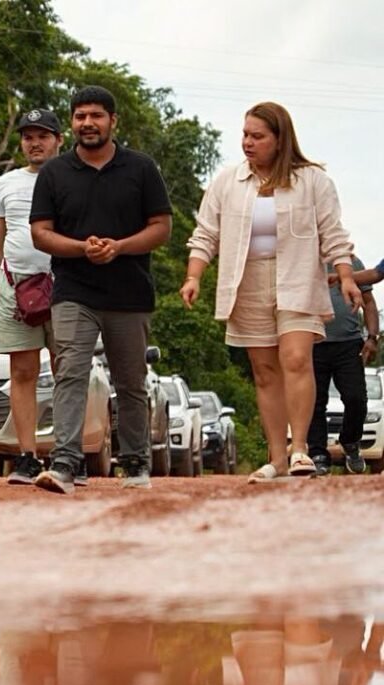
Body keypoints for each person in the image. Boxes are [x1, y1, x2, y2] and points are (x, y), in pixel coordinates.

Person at [180, 101, 361, 483]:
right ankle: (277, 457)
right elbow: (205, 234)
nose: (247, 142)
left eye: (257, 136)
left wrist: (345, 276)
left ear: (280, 141)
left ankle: (301, 451)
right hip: (246, 282)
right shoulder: (228, 181)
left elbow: (333, 233)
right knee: (264, 371)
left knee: (296, 358)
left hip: (297, 278)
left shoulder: (312, 180)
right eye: (245, 134)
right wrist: (194, 276)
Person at [30, 85, 172, 494]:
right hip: (74, 290)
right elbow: (40, 233)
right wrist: (82, 249)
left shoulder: (142, 169)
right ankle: (65, 464)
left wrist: (119, 248)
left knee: (130, 381)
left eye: (96, 115)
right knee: (70, 372)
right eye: (80, 116)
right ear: (71, 122)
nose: (87, 123)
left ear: (113, 121)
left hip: (130, 294)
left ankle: (135, 464)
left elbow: (161, 227)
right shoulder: (54, 173)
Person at [0, 108, 63, 485]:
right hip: (17, 287)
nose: (35, 143)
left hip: (65, 284)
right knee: (22, 371)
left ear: (59, 140)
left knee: (68, 371)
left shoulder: (72, 176)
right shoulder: (8, 182)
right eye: (28, 136)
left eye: (43, 136)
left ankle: (67, 455)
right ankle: (27, 455)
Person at [308, 257, 377, 475]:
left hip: (348, 344)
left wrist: (372, 337)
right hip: (312, 342)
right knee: (314, 401)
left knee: (356, 397)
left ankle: (350, 441)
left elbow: (369, 302)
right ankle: (318, 455)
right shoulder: (302, 258)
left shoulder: (351, 262)